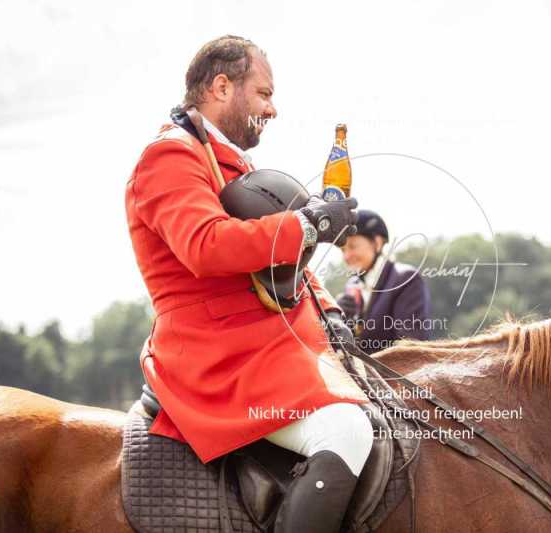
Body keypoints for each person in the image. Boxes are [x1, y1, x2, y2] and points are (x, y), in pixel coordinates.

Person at [124, 35, 373, 533]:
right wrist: (309, 225)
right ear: (221, 86)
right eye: (264, 94)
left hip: (266, 344)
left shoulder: (229, 160)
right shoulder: (169, 158)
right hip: (216, 355)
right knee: (347, 431)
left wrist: (334, 315)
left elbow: (283, 268)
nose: (273, 109)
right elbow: (207, 245)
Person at [337, 210, 431, 354]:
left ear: (377, 243)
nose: (347, 256)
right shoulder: (352, 286)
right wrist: (339, 320)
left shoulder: (405, 279)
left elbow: (409, 347)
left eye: (353, 246)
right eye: (343, 250)